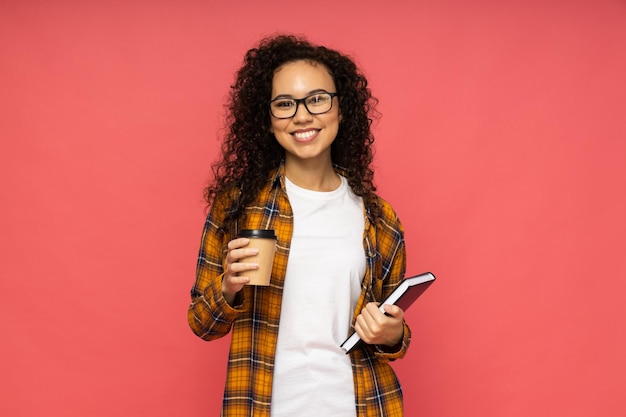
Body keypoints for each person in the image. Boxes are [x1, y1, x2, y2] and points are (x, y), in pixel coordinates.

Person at [188, 34, 411, 417]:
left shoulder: (378, 218)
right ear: (268, 119)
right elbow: (202, 324)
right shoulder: (238, 208)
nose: (302, 115)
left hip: (359, 404)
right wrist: (229, 286)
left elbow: (393, 328)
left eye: (317, 99)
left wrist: (392, 335)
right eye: (285, 104)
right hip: (263, 406)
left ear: (342, 109)